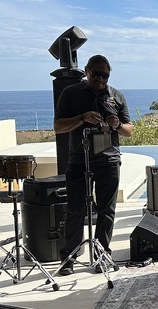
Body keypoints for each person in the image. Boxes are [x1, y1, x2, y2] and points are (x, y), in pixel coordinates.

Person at [53, 55, 133, 274]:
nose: (100, 79)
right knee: (76, 209)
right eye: (96, 74)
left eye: (104, 75)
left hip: (109, 160)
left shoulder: (116, 96)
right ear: (87, 71)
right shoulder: (71, 93)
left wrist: (117, 125)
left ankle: (102, 255)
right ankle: (68, 258)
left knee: (107, 210)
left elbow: (129, 130)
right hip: (80, 160)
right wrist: (82, 118)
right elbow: (58, 126)